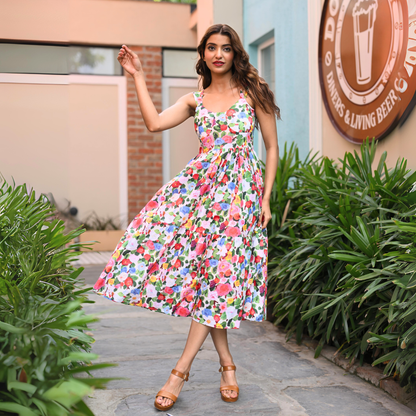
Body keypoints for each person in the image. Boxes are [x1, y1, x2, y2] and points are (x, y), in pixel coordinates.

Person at [93, 23, 279, 412]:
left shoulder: (253, 93)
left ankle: (180, 370)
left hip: (240, 200)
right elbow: (154, 123)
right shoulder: (195, 99)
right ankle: (227, 365)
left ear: (235, 54)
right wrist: (139, 77)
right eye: (211, 48)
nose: (218, 54)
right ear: (204, 53)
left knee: (218, 278)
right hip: (200, 198)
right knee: (211, 283)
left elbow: (272, 147)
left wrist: (265, 198)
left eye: (226, 48)